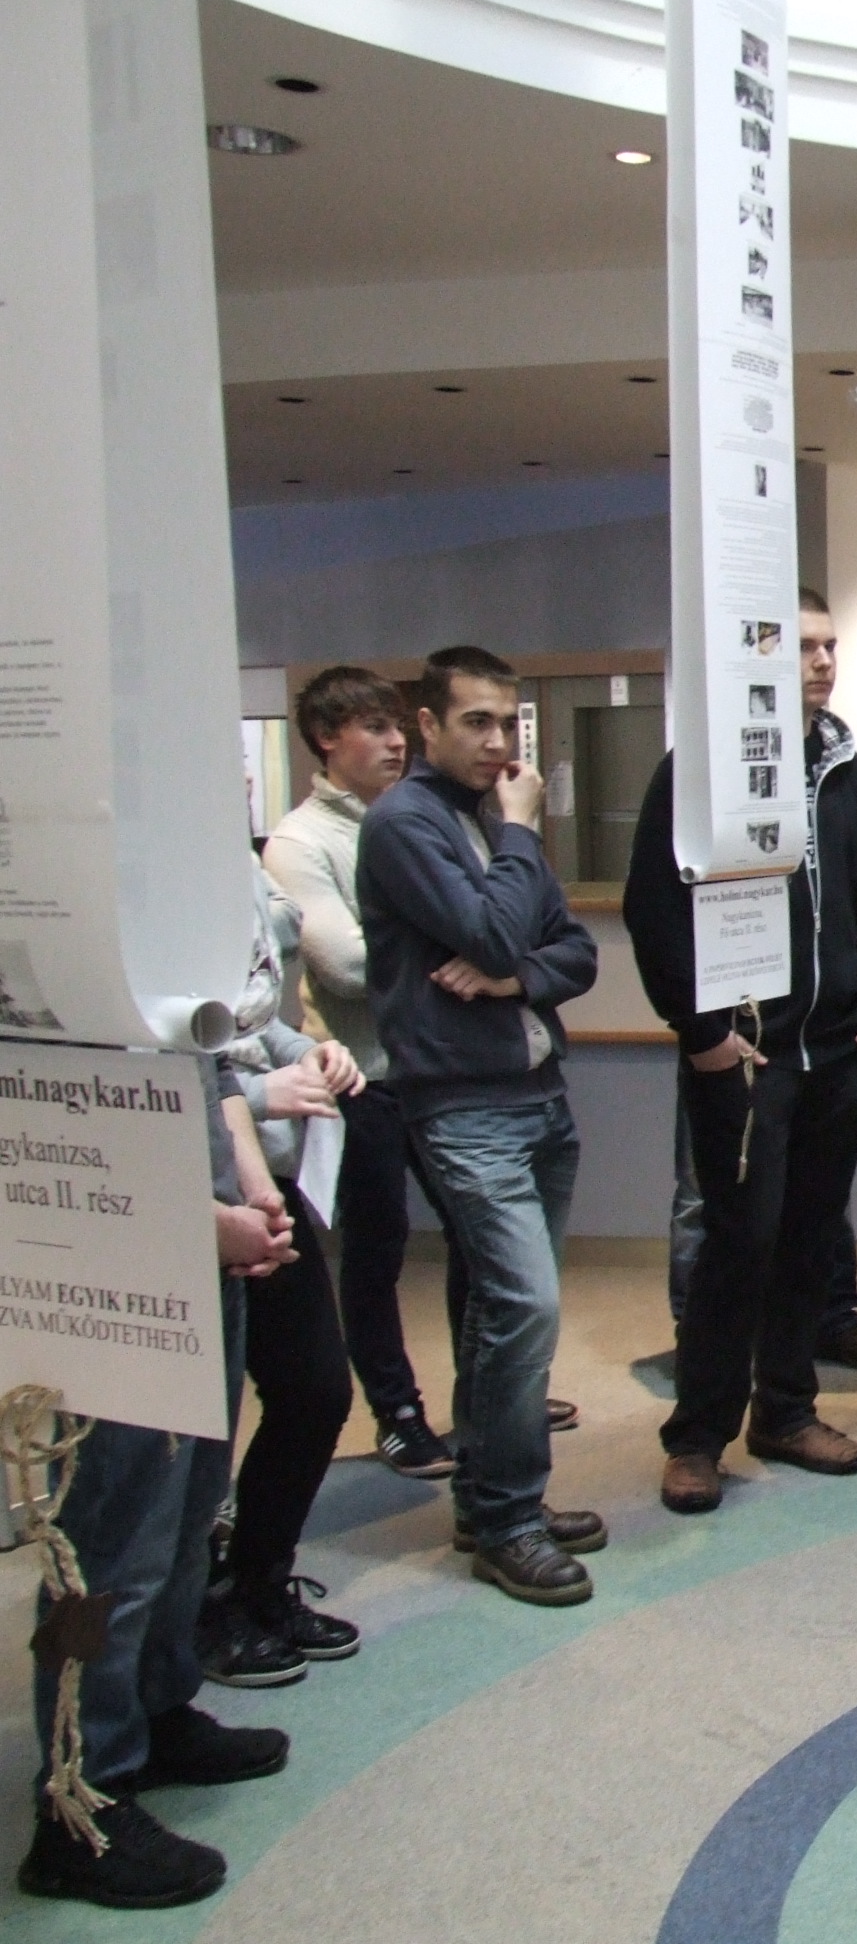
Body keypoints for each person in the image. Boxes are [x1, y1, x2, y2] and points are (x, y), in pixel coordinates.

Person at [625, 589, 857, 1515]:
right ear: (759, 655)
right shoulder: (701, 771)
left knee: (810, 1237)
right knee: (739, 1242)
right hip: (747, 1054)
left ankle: (786, 1411)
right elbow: (654, 908)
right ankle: (697, 1435)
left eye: (830, 646)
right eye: (803, 647)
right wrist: (700, 1032)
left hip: (839, 1049)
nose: (823, 662)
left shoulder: (849, 774)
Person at [17, 1062, 298, 1910]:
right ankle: (79, 1800)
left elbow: (213, 1067)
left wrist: (252, 1187)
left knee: (185, 1522)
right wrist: (203, 1223)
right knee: (105, 1558)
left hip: (206, 1258)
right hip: (116, 1269)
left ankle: (154, 1713)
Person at [357, 645, 604, 1605]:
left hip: (539, 1096)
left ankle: (493, 1498)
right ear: (427, 724)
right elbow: (500, 928)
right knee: (525, 1306)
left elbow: (572, 951)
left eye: (508, 723)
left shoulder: (491, 822)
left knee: (501, 1314)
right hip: (463, 1106)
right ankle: (505, 1522)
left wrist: (512, 979)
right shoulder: (406, 823)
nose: (499, 743)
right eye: (477, 723)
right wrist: (524, 834)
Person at [263, 666, 456, 1479]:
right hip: (361, 1080)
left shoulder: (419, 818)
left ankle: (488, 1391)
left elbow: (496, 923)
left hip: (437, 1070)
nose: (395, 741)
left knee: (478, 1234)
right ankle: (397, 1413)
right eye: (374, 728)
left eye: (397, 725)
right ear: (326, 739)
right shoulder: (300, 842)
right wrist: (449, 939)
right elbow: (344, 967)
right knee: (377, 1254)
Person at [199, 876, 364, 1689]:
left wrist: (311, 1055)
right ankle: (198, 1614)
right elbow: (185, 1060)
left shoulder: (238, 872)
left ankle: (257, 1583)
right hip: (180, 1188)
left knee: (316, 1391)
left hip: (265, 1183)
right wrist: (268, 1093)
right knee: (193, 1431)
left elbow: (251, 1023)